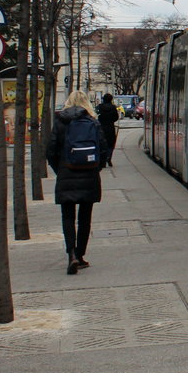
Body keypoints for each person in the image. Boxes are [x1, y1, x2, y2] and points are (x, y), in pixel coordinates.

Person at [47, 91, 108, 275]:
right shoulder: (93, 122)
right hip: (88, 175)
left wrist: (61, 170)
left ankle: (71, 253)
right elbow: (103, 149)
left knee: (67, 217)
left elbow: (51, 150)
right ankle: (80, 255)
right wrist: (95, 168)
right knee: (84, 218)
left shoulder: (60, 122)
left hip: (66, 173)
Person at [96, 93, 120, 167]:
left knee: (101, 143)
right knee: (110, 143)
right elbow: (116, 117)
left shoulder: (99, 107)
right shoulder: (113, 107)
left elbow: (96, 116)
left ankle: (102, 159)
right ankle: (109, 157)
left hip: (101, 127)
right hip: (110, 127)